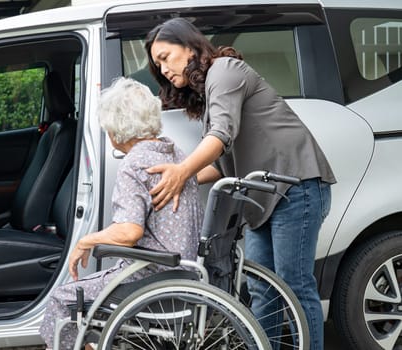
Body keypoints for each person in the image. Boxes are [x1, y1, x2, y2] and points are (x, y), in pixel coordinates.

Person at [144, 18, 335, 350]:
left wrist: (182, 172)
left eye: (165, 57)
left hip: (296, 186)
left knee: (294, 285)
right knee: (261, 289)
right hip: (263, 197)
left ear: (189, 47)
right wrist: (173, 181)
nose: (162, 69)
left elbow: (220, 136)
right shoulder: (209, 90)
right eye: (156, 64)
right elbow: (220, 165)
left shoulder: (225, 71)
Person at [38, 77, 203, 349]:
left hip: (151, 277)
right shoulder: (173, 151)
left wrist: (85, 241)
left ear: (116, 130)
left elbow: (129, 232)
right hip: (183, 272)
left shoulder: (134, 165)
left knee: (62, 300)